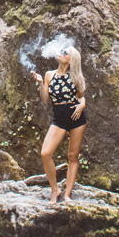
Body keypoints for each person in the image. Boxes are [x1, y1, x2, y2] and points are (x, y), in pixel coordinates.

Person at [32, 43, 87, 203]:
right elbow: (44, 99)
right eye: (62, 51)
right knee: (45, 153)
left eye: (65, 53)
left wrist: (82, 105)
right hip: (60, 119)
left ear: (70, 61)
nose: (61, 53)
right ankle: (55, 189)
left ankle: (68, 194)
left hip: (77, 119)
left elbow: (81, 96)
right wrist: (41, 82)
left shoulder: (75, 77)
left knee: (73, 157)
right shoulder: (49, 75)